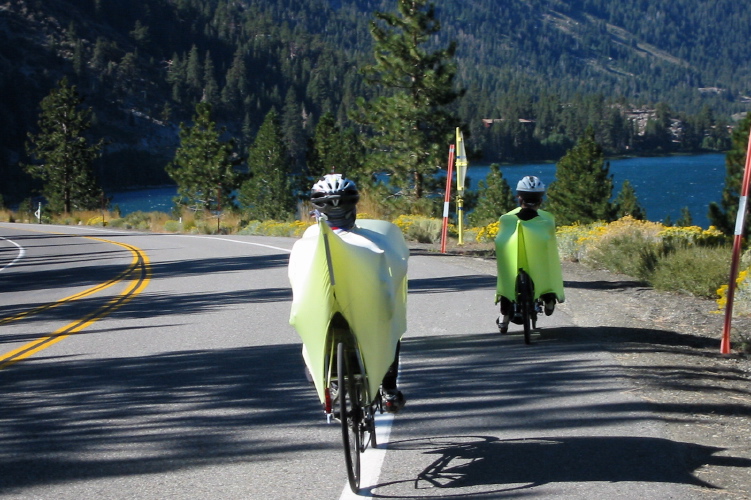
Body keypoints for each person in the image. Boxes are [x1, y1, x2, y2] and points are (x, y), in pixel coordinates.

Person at [294, 173, 406, 413]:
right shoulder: (372, 242)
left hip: (324, 311)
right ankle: (388, 387)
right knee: (391, 328)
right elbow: (396, 274)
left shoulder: (306, 242)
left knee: (308, 331)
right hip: (366, 311)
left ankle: (324, 382)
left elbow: (298, 283)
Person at [495, 175, 564, 333]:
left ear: (520, 198)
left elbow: (501, 240)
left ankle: (504, 316)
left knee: (507, 278)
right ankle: (549, 300)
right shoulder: (547, 219)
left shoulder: (507, 218)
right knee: (546, 271)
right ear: (540, 199)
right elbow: (550, 244)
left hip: (515, 261)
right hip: (538, 264)